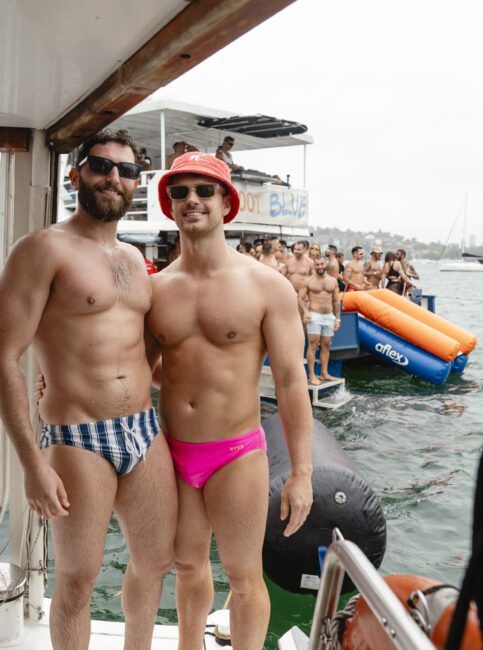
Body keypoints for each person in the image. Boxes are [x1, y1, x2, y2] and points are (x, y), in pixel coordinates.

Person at [0, 129, 177, 650]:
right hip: (77, 437)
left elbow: (145, 348)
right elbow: (1, 359)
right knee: (77, 580)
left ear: (136, 184)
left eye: (126, 170)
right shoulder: (43, 249)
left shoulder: (137, 261)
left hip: (143, 427)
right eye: (101, 166)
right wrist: (32, 465)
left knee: (156, 562)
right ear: (76, 175)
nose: (114, 177)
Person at [150, 152, 313, 649]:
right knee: (187, 566)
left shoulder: (266, 286)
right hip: (173, 450)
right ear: (169, 205)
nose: (192, 201)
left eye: (204, 191)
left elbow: (290, 381)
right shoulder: (155, 289)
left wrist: (303, 474)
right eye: (180, 192)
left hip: (236, 452)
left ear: (227, 204)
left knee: (244, 575)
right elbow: (138, 369)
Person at [298, 256, 341, 385]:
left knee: (326, 345)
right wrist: (306, 312)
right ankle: (312, 375)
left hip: (329, 316)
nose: (320, 267)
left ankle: (324, 372)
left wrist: (337, 319)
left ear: (325, 264)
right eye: (317, 265)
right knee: (313, 345)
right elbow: (300, 298)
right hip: (314, 315)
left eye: (322, 264)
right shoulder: (308, 281)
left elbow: (336, 301)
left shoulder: (333, 281)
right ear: (314, 266)